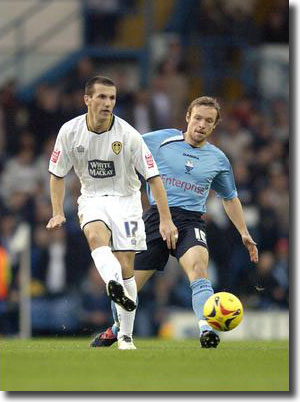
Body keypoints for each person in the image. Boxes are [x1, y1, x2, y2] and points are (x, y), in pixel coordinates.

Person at [90, 96, 259, 349]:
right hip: (155, 218)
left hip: (191, 221)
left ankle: (206, 330)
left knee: (199, 271)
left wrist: (244, 232)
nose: (202, 124)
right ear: (188, 117)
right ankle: (117, 329)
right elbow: (125, 144)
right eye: (198, 118)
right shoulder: (160, 140)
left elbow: (230, 198)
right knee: (128, 289)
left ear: (215, 126)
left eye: (209, 121)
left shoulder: (218, 159)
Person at [46, 75, 178, 350]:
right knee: (95, 237)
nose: (108, 103)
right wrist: (57, 211)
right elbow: (57, 174)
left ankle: (125, 338)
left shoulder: (128, 135)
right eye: (102, 97)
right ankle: (113, 282)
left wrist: (165, 219)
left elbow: (154, 178)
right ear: (87, 100)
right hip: (92, 196)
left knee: (127, 266)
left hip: (126, 200)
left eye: (112, 98)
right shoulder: (69, 131)